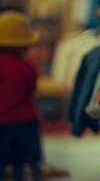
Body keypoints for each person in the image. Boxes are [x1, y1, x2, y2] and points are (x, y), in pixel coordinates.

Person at [0, 10, 43, 181]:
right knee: (23, 162)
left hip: (1, 122)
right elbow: (31, 90)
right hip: (25, 122)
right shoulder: (28, 67)